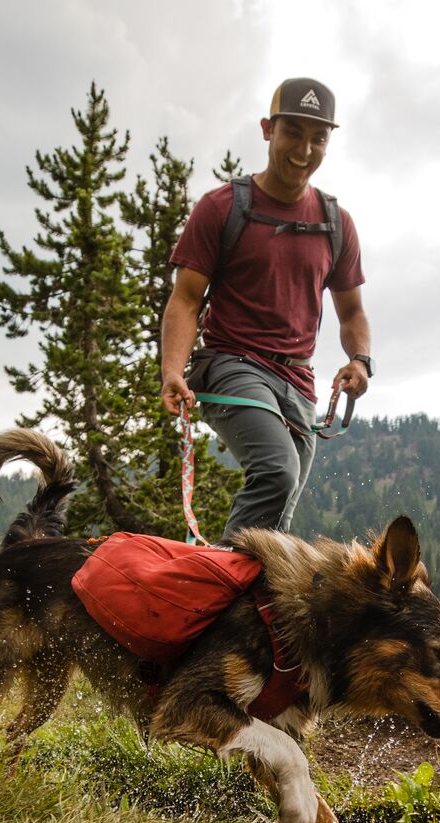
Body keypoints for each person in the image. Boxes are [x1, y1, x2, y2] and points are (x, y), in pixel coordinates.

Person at [160, 76, 373, 542]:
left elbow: (352, 313)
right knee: (278, 471)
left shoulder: (336, 224)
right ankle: (219, 595)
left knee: (278, 517)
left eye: (318, 137)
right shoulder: (222, 209)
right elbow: (186, 298)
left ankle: (253, 608)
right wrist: (172, 370)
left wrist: (360, 359)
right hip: (232, 366)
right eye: (292, 132)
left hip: (298, 382)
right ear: (266, 129)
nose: (304, 148)